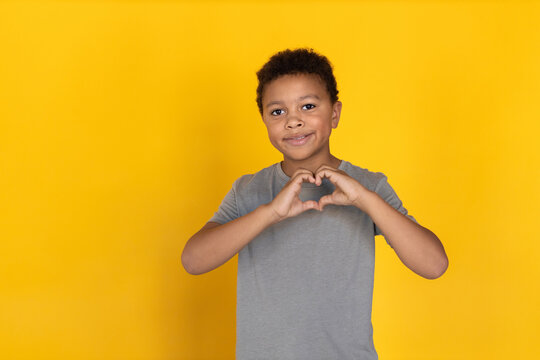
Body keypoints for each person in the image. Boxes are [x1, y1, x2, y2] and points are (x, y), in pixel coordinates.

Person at [181, 48, 448, 360]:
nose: (293, 121)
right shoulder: (248, 190)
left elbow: (434, 265)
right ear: (264, 120)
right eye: (277, 112)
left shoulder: (368, 187)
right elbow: (193, 260)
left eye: (308, 106)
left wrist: (365, 200)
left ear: (334, 114)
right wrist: (270, 214)